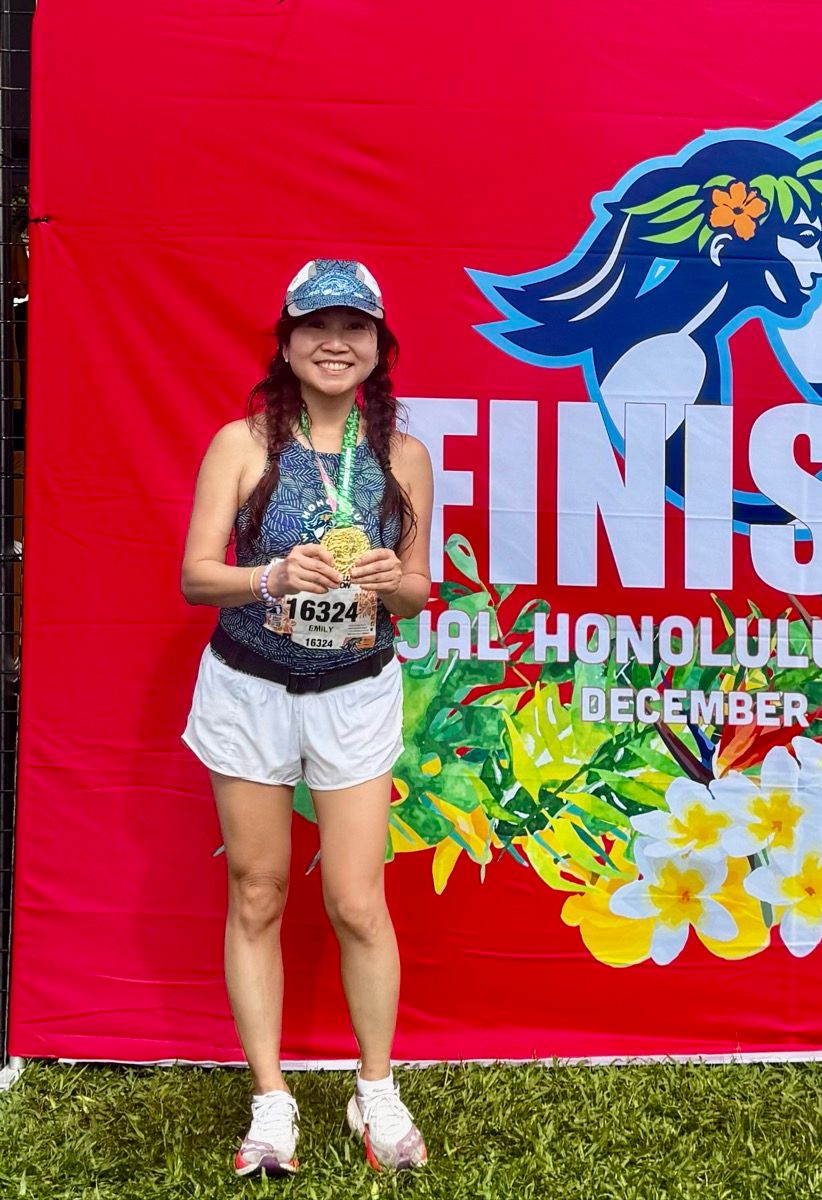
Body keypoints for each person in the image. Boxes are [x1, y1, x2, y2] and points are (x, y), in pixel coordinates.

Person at [178, 259, 434, 1176]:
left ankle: (376, 1089)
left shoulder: (404, 456)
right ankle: (271, 1100)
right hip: (249, 689)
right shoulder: (242, 444)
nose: (335, 343)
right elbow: (195, 577)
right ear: (286, 344)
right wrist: (272, 577)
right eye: (315, 327)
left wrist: (393, 583)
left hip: (355, 693)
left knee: (357, 902)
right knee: (258, 890)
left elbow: (418, 592)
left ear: (378, 348)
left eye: (354, 327)